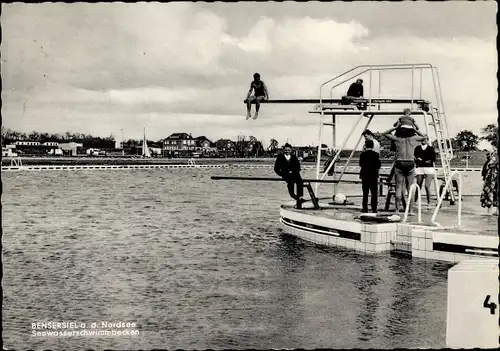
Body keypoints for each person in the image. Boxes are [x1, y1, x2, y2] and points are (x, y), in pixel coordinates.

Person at [382, 126, 427, 212]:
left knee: (399, 187)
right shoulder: (414, 139)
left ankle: (397, 210)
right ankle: (410, 211)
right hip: (410, 162)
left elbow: (385, 133)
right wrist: (415, 129)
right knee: (410, 187)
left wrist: (396, 127)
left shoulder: (397, 139)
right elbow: (424, 137)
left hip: (399, 162)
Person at [274, 143, 306, 208]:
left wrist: (294, 172)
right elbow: (276, 168)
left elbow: (298, 167)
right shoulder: (280, 157)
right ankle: (295, 197)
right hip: (286, 175)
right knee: (291, 187)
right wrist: (281, 174)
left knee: (300, 182)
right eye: (286, 150)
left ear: (291, 150)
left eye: (288, 150)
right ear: (283, 150)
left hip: (295, 174)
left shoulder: (294, 157)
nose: (287, 151)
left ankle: (300, 197)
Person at [359, 139, 381, 213]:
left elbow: (360, 164)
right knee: (374, 193)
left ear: (366, 146)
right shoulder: (376, 154)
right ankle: (374, 208)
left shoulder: (362, 154)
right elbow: (379, 165)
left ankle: (365, 208)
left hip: (365, 176)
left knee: (365, 193)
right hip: (373, 176)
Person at [414, 136, 436, 207]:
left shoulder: (431, 148)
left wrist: (422, 160)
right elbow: (415, 158)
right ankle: (415, 201)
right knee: (418, 185)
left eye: (425, 140)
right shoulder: (417, 148)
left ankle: (429, 203)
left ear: (427, 140)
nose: (424, 141)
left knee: (427, 186)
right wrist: (422, 161)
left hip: (428, 168)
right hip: (419, 168)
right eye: (422, 140)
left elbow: (432, 159)